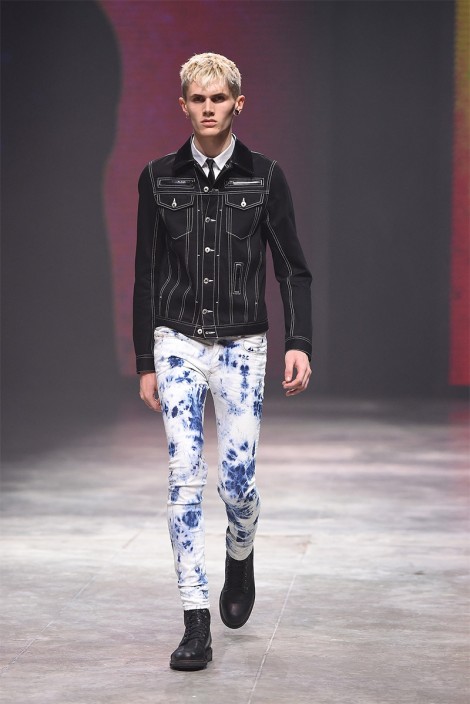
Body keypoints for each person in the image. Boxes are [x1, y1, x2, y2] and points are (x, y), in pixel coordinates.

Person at [134, 52, 312, 671]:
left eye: (218, 99)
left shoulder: (265, 177)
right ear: (183, 105)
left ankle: (241, 550)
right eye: (197, 99)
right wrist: (145, 359)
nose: (208, 109)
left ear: (238, 103)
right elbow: (145, 273)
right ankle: (194, 621)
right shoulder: (158, 177)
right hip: (177, 341)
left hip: (242, 346)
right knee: (183, 478)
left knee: (237, 483)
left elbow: (292, 267)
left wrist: (299, 341)